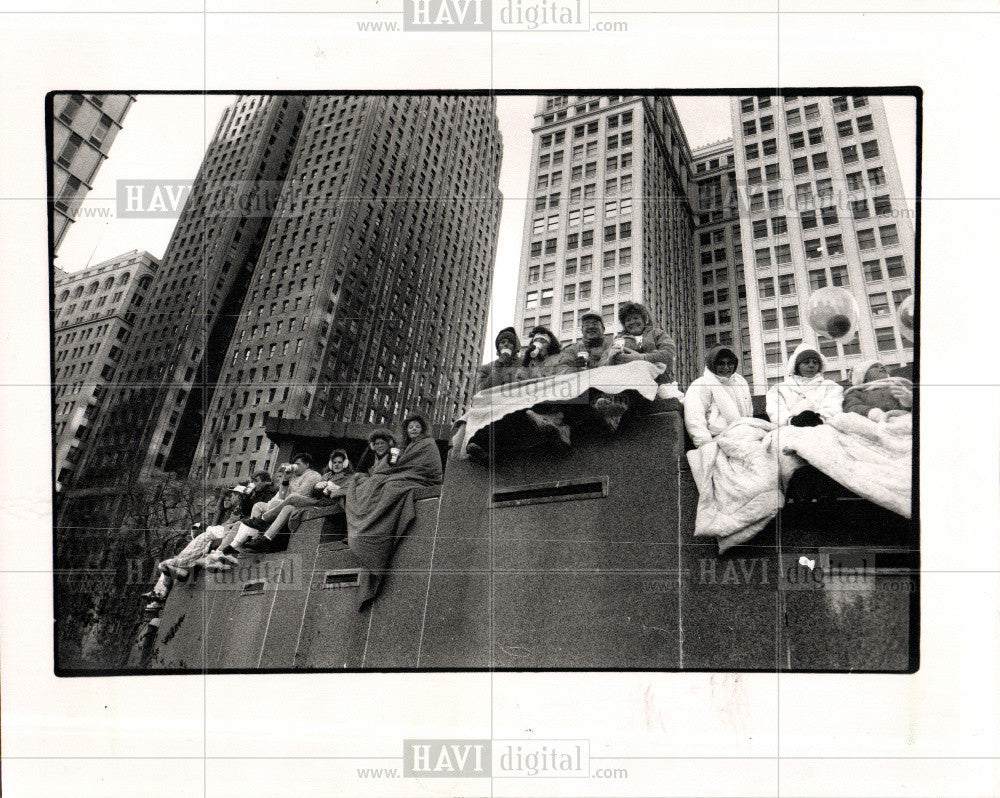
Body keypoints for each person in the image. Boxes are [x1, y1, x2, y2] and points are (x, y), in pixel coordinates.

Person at [346, 411, 444, 608]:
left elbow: (427, 466)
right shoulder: (403, 447)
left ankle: (369, 527)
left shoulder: (428, 443)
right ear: (406, 430)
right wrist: (392, 459)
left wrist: (394, 469)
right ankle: (365, 524)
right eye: (410, 427)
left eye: (417, 426)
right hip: (405, 475)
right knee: (377, 483)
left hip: (421, 478)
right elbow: (391, 465)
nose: (414, 429)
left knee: (390, 487)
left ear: (422, 428)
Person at [140, 483, 248, 608]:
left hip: (222, 535)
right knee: (171, 565)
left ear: (239, 496)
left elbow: (227, 526)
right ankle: (158, 593)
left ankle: (163, 589)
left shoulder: (241, 509)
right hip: (217, 534)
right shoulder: (230, 510)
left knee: (200, 541)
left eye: (233, 495)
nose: (230, 497)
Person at [683, 344, 754, 448]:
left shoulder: (740, 383)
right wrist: (707, 446)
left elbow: (749, 413)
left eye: (730, 363)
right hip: (718, 440)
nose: (726, 367)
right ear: (712, 364)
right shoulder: (701, 384)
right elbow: (694, 419)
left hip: (744, 437)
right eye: (721, 364)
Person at [516, 325, 572, 447]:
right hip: (533, 399)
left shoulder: (561, 357)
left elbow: (565, 376)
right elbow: (520, 383)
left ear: (550, 344)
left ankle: (558, 425)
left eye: (543, 341)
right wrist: (525, 363)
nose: (538, 344)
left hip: (554, 397)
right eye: (536, 341)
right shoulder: (530, 364)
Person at [766, 343, 844, 427]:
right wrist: (791, 420)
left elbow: (833, 408)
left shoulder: (830, 387)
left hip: (823, 428)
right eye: (806, 362)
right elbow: (775, 411)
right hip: (789, 430)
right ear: (796, 366)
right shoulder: (779, 389)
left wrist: (820, 419)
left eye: (815, 362)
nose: (811, 366)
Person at [606, 302, 677, 382]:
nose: (632, 322)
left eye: (636, 318)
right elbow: (603, 365)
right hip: (626, 385)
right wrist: (610, 358)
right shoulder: (618, 339)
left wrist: (640, 358)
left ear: (644, 320)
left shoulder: (657, 333)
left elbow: (669, 354)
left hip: (658, 383)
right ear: (624, 324)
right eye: (628, 320)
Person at [843, 360, 913, 420]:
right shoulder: (856, 391)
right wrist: (871, 412)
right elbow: (852, 406)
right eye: (875, 366)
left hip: (902, 419)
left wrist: (907, 402)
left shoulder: (897, 385)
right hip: (875, 422)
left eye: (882, 366)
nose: (882, 367)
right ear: (864, 376)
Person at [475, 327, 522, 392]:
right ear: (498, 347)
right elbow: (481, 391)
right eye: (502, 342)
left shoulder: (524, 365)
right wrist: (499, 366)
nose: (506, 344)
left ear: (514, 347)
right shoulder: (486, 368)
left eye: (510, 342)